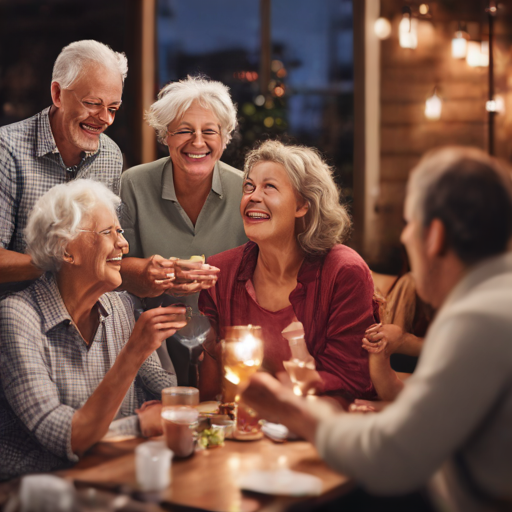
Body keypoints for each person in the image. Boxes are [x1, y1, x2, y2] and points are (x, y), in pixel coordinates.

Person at [242, 146, 512, 512]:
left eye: (409, 223)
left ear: (434, 236)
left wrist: (292, 412)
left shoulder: (477, 318)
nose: (405, 238)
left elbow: (394, 458)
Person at [0, 180, 185, 480]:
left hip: (114, 478)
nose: (123, 244)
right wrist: (138, 424)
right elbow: (66, 438)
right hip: (41, 491)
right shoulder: (17, 317)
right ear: (66, 250)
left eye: (120, 231)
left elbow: (168, 394)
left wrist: (188, 337)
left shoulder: (120, 307)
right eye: (107, 233)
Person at [199, 140, 378, 401]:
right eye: (249, 186)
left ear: (302, 205)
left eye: (269, 187)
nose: (253, 196)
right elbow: (212, 389)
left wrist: (271, 397)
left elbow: (350, 380)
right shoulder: (219, 273)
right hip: (244, 431)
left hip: (324, 430)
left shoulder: (343, 272)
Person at [120, 76, 247, 375]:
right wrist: (156, 274)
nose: (198, 142)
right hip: (150, 348)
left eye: (209, 131)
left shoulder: (247, 191)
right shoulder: (134, 184)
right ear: (165, 136)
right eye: (184, 131)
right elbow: (115, 268)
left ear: (225, 137)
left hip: (229, 346)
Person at [0, 39, 127, 294]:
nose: (105, 119)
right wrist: (62, 259)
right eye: (93, 103)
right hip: (17, 315)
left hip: (85, 312)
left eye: (112, 108)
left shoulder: (111, 155)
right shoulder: (6, 149)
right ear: (57, 94)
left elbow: (109, 247)